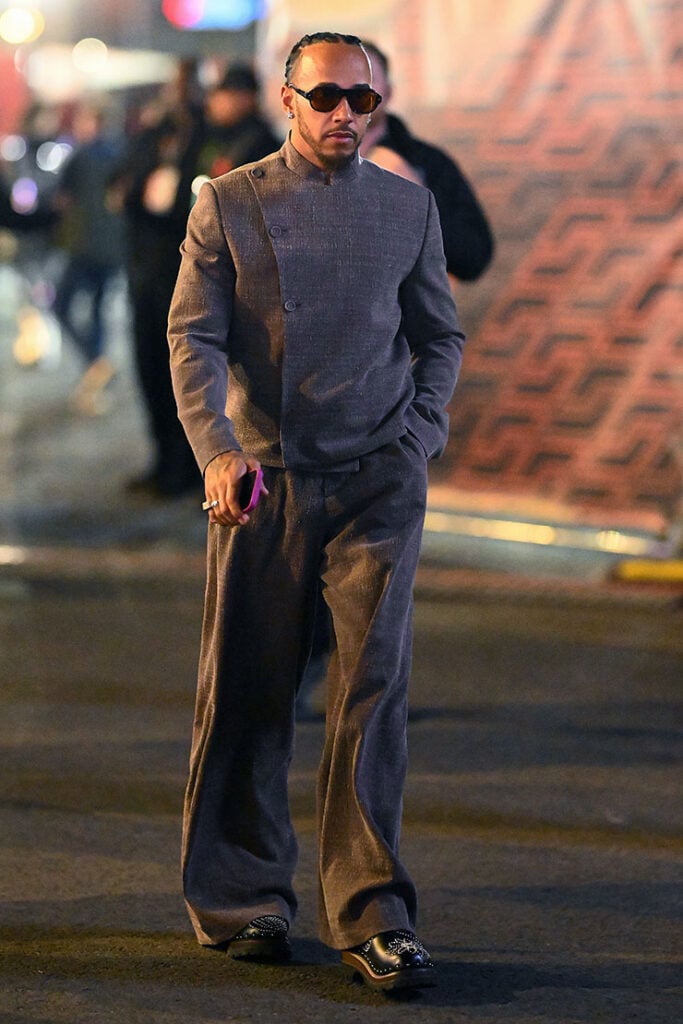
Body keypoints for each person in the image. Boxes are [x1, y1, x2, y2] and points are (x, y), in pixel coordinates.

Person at [167, 31, 465, 993]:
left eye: (360, 100)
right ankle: (241, 898)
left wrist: (417, 438)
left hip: (378, 479)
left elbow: (439, 337)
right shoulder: (230, 202)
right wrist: (217, 451)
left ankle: (374, 914)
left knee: (372, 698)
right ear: (287, 99)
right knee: (249, 693)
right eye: (326, 96)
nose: (345, 114)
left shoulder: (407, 208)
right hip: (264, 480)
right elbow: (193, 336)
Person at [109, 61, 205, 498]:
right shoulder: (151, 136)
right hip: (145, 270)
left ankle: (185, 468)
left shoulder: (205, 137)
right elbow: (121, 187)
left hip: (182, 272)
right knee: (150, 369)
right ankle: (164, 460)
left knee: (184, 375)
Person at [360, 40, 494, 283]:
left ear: (389, 92)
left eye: (367, 79)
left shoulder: (427, 162)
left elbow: (473, 259)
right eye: (341, 83)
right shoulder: (300, 164)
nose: (354, 92)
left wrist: (415, 195)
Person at [52, 99, 125, 414]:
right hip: (112, 248)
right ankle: (96, 368)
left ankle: (94, 361)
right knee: (97, 311)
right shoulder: (121, 154)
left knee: (61, 305)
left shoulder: (79, 158)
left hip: (85, 246)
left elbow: (61, 199)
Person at [194, 63, 281, 183]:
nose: (214, 101)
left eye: (225, 94)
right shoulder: (210, 132)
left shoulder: (260, 143)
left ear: (245, 98)